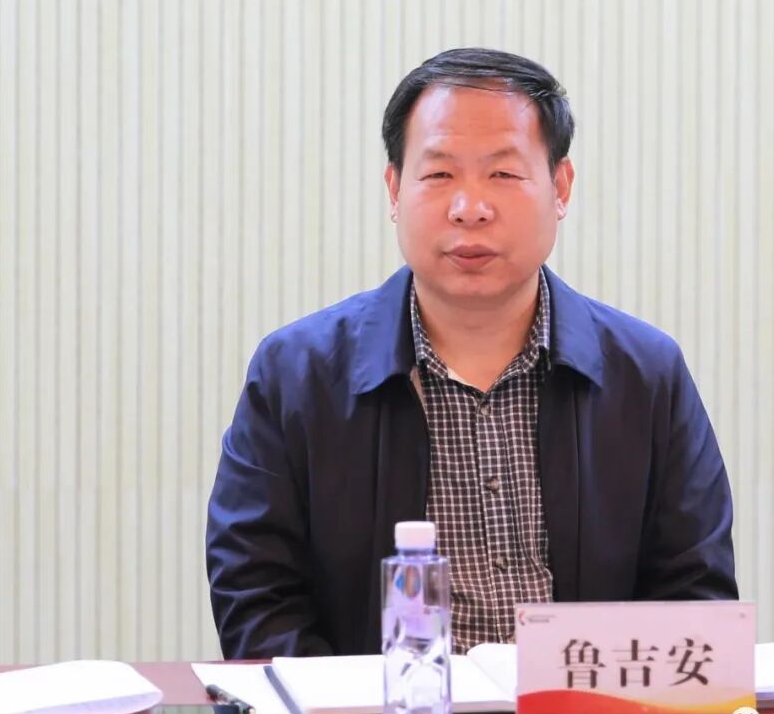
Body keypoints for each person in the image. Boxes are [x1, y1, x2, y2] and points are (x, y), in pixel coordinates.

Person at [206, 48, 737, 659]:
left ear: (560, 187)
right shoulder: (296, 375)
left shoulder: (646, 376)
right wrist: (363, 711)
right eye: (439, 175)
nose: (470, 208)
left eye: (503, 174)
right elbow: (257, 599)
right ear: (394, 189)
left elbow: (694, 597)